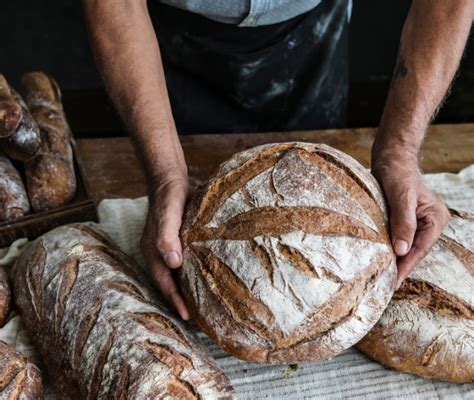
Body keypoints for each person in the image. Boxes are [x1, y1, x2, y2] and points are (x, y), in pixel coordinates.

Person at [82, 0, 473, 320]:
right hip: (156, 42)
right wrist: (165, 173)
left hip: (310, 29)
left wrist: (399, 153)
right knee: (187, 228)